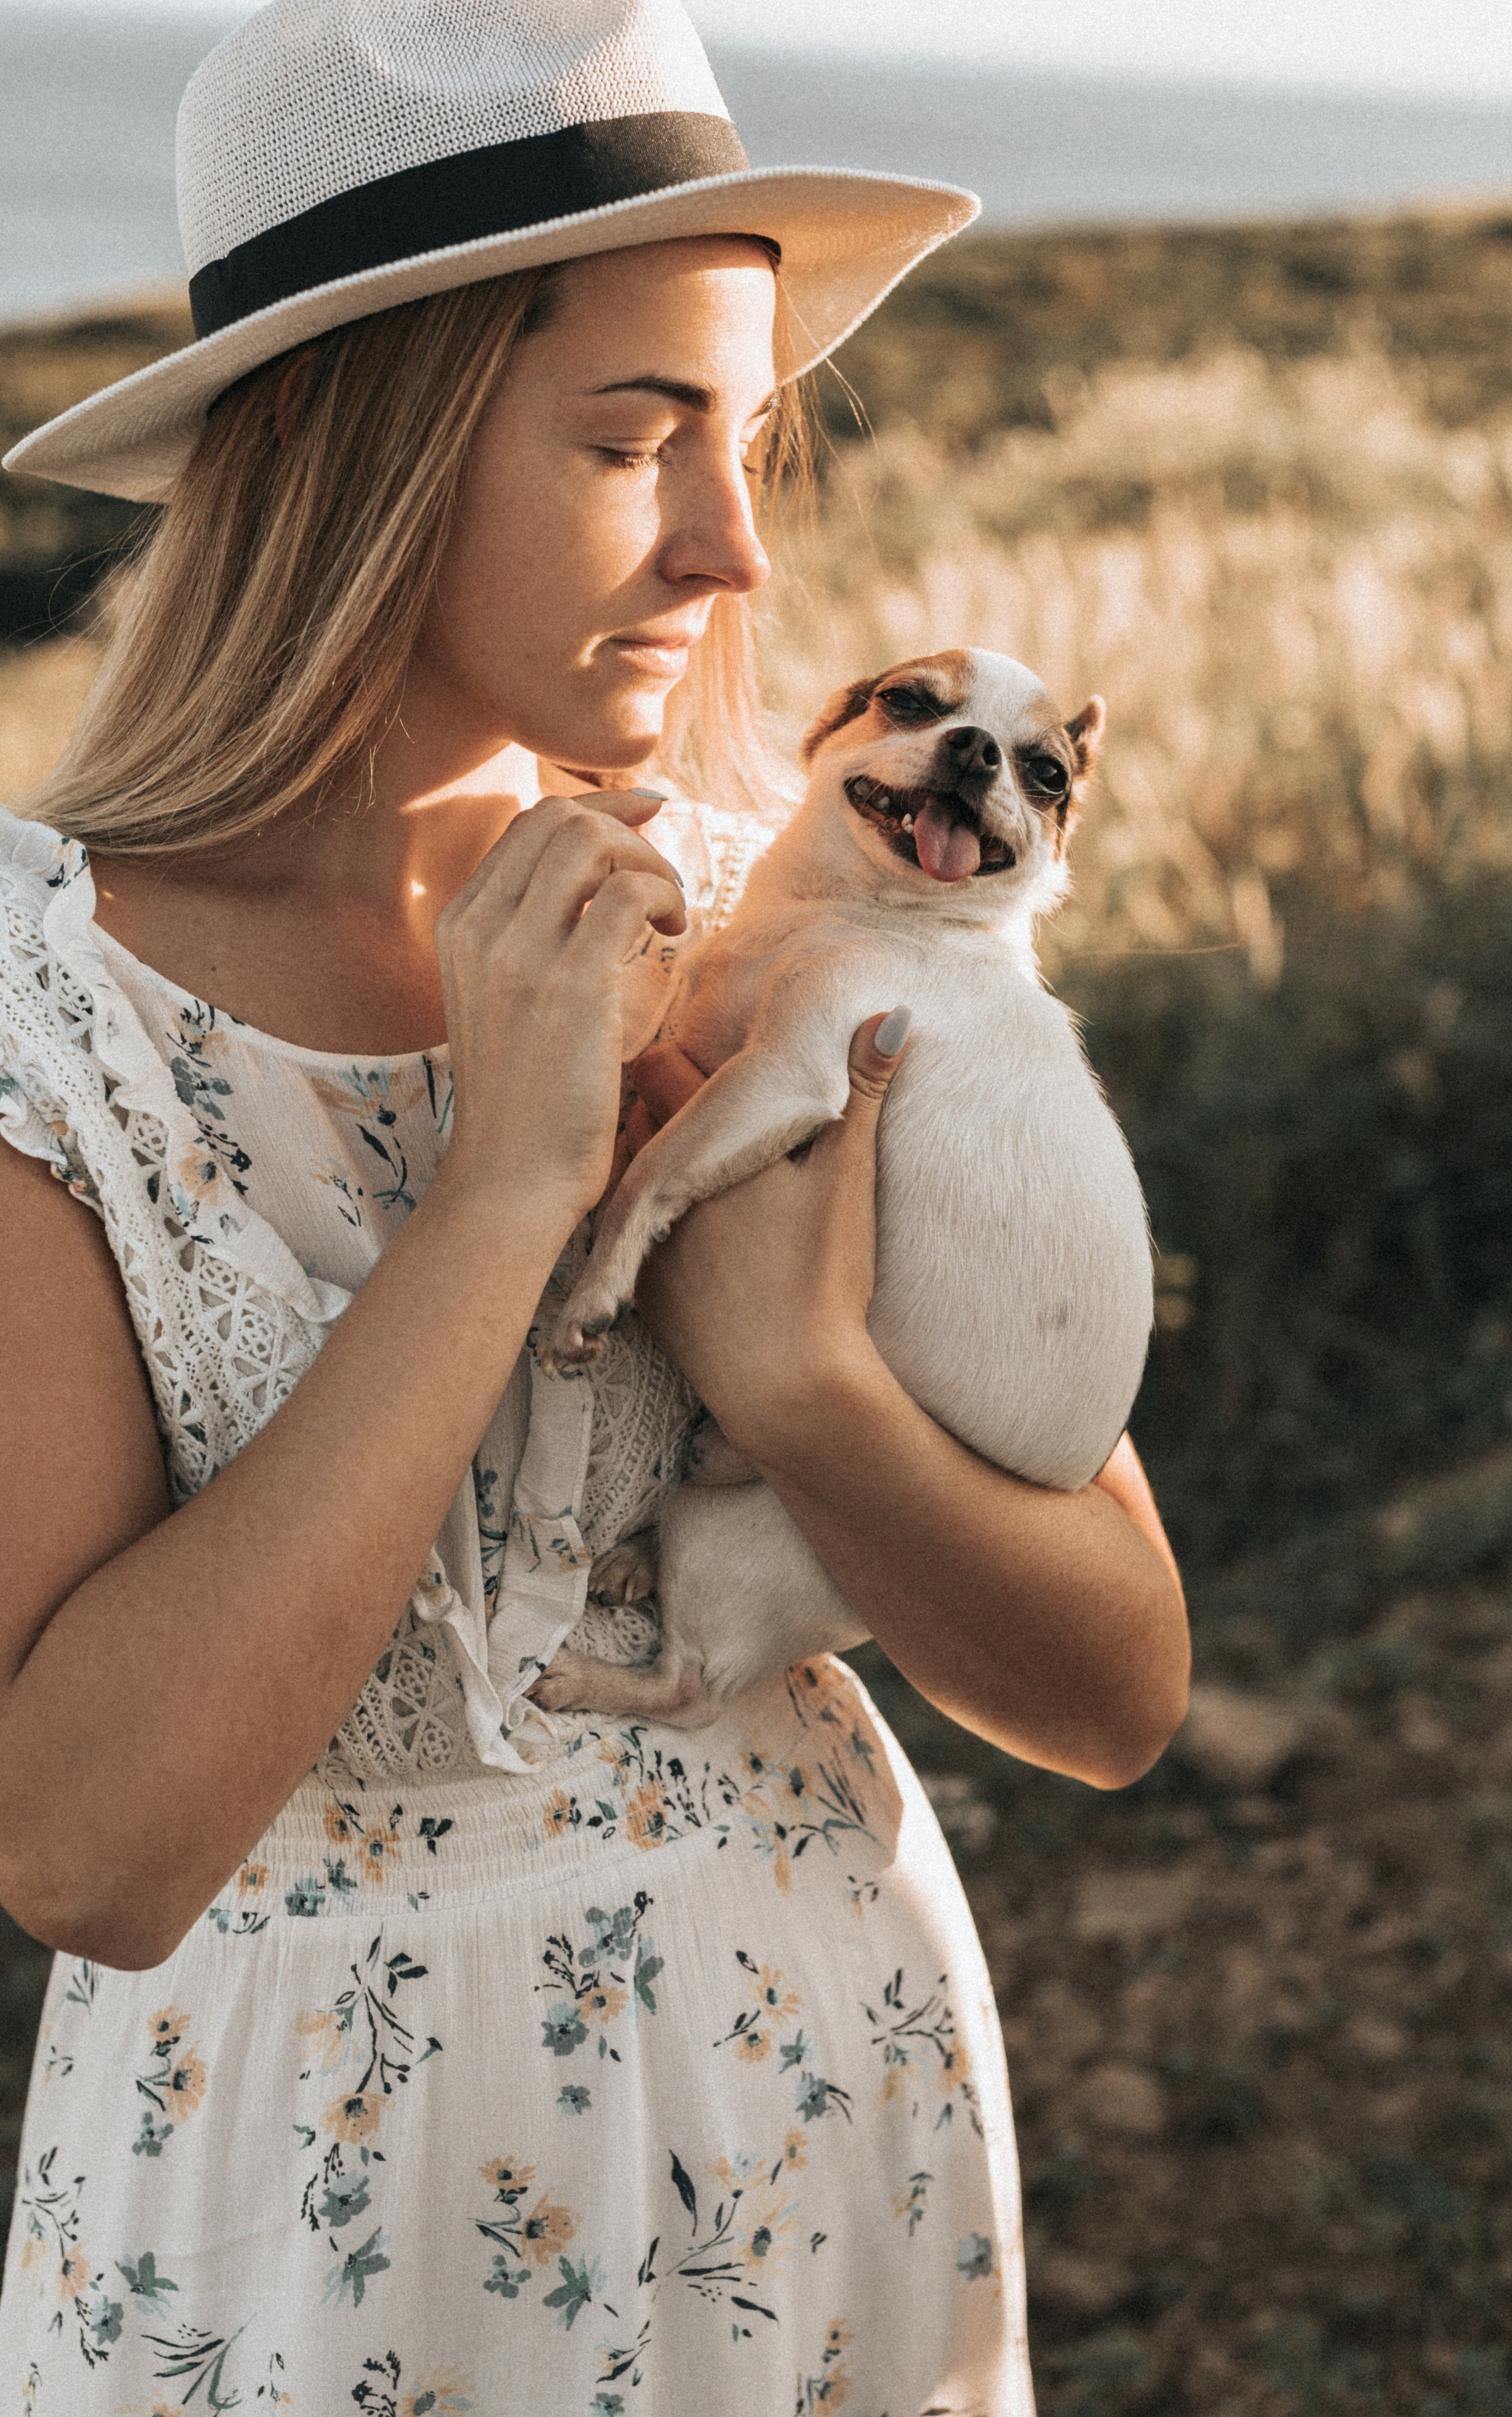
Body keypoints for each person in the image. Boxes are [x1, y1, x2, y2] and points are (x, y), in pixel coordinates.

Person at [0, 3, 1190, 2406]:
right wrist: (513, 1187)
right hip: (322, 2222)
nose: (739, 546)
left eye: (748, 442)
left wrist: (803, 1385)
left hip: (819, 2101)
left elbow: (1114, 1689)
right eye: (640, 441)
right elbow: (89, 1852)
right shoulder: (52, 1018)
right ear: (358, 453)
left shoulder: (791, 918)